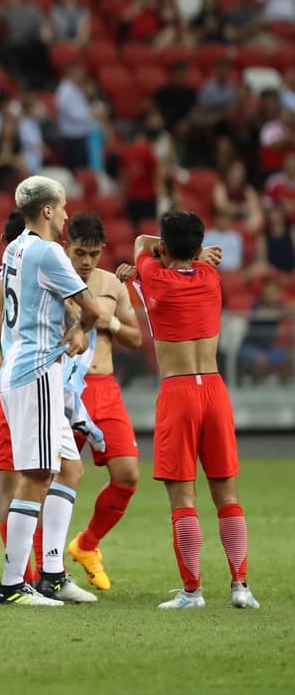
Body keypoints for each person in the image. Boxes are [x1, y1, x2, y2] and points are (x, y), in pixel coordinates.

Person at [120, 212, 259, 609]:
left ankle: (193, 591)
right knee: (227, 494)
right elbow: (175, 251)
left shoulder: (152, 275)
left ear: (165, 248)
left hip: (178, 392)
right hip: (215, 390)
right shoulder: (210, 278)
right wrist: (200, 258)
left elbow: (142, 244)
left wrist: (165, 252)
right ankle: (241, 586)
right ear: (199, 250)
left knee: (183, 498)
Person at [0, 175, 100, 606]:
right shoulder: (49, 252)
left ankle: (52, 575)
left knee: (69, 470)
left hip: (18, 369)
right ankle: (13, 585)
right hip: (36, 373)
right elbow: (93, 308)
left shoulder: (15, 248)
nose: (68, 214)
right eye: (64, 207)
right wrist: (83, 330)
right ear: (48, 210)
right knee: (36, 477)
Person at [64, 214, 145, 592]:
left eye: (93, 254)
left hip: (103, 387)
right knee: (50, 479)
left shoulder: (112, 283)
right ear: (67, 245)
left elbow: (135, 339)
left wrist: (108, 322)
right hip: (64, 387)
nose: (86, 261)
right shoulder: (52, 275)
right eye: (80, 252)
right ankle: (38, 573)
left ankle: (87, 545)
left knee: (127, 475)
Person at [0, 210, 40, 586]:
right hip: (47, 383)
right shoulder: (54, 276)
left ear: (5, 244)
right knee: (47, 481)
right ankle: (47, 573)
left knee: (9, 489)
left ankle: (25, 578)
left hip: (7, 383)